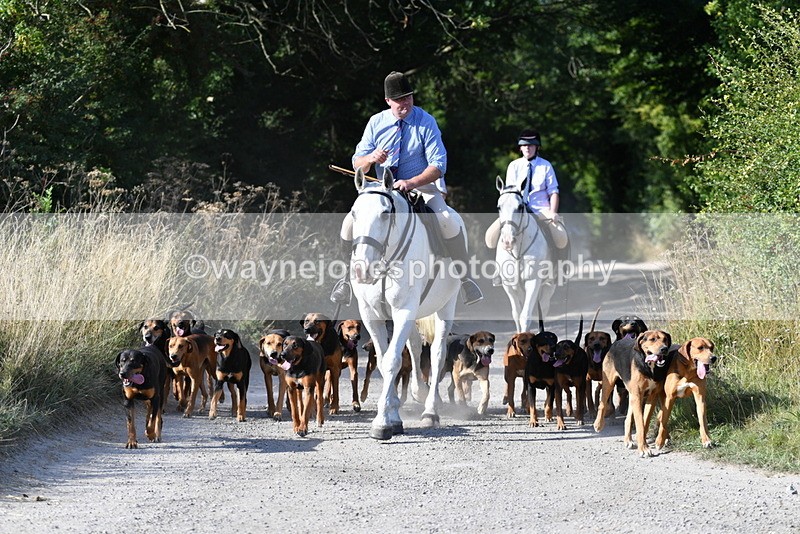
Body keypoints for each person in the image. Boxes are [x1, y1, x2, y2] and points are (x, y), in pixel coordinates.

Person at [330, 71, 483, 306]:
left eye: (409, 97)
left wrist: (410, 182)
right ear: (388, 101)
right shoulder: (376, 122)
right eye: (400, 99)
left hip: (421, 187)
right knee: (349, 223)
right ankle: (345, 281)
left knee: (446, 218)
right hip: (383, 190)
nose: (406, 103)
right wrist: (371, 158)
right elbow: (357, 162)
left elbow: (438, 165)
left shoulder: (426, 121)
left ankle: (466, 281)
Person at [486, 130, 569, 279]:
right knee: (491, 236)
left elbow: (553, 192)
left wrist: (553, 212)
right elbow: (509, 193)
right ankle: (499, 270)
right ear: (520, 148)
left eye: (531, 145)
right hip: (518, 209)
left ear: (537, 147)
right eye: (524, 146)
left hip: (541, 209)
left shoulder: (546, 166)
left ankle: (559, 269)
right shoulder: (513, 166)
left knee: (561, 235)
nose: (527, 148)